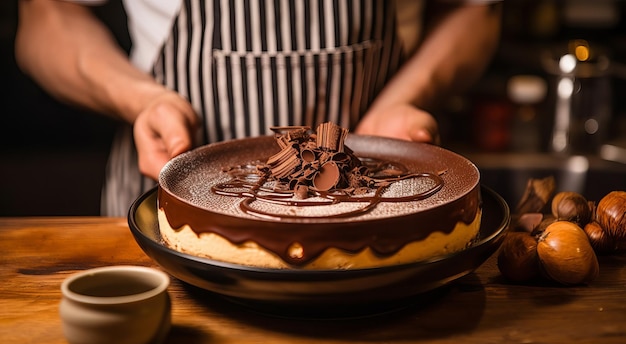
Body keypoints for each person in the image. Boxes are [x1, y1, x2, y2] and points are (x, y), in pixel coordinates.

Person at [15, 0, 502, 217]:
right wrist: (144, 101)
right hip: (166, 206)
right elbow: (47, 15)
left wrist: (406, 101)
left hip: (382, 208)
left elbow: (476, 8)